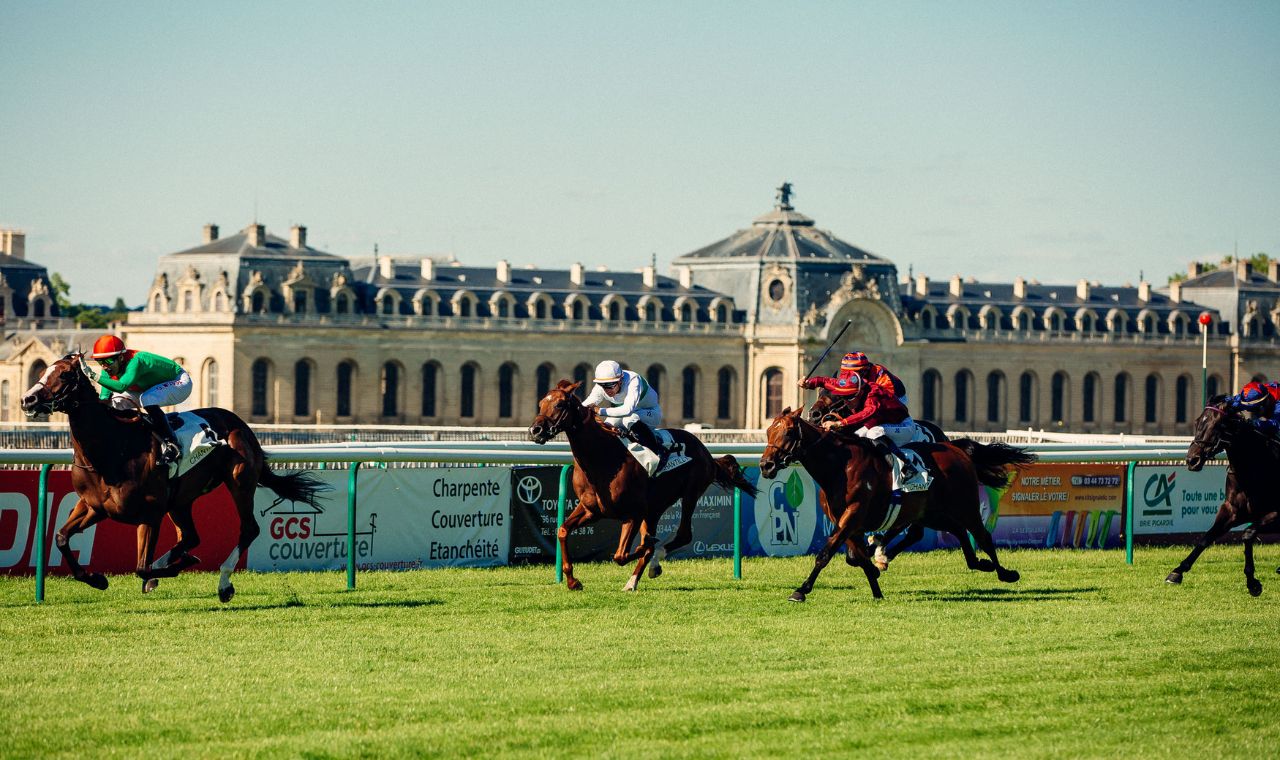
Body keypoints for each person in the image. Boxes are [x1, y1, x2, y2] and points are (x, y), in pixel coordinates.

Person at [90, 335, 191, 463]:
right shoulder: (107, 369)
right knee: (116, 402)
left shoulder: (136, 361)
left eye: (108, 361)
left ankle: (172, 444)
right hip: (148, 388)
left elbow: (121, 387)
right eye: (101, 362)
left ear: (121, 357)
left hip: (180, 382)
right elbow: (104, 400)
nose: (104, 366)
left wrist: (92, 375)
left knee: (147, 398)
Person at [819, 372, 920, 482]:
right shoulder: (860, 392)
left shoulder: (872, 397)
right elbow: (825, 381)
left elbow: (866, 414)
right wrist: (809, 383)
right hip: (884, 424)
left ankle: (907, 466)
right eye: (844, 397)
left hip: (904, 426)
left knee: (874, 432)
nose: (846, 401)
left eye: (849, 397)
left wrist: (840, 423)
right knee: (854, 436)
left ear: (860, 392)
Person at [582, 360, 669, 471]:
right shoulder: (603, 384)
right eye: (602, 385)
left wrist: (599, 410)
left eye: (610, 385)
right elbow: (586, 404)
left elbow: (627, 410)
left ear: (620, 380)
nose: (606, 390)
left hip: (650, 413)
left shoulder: (634, 380)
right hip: (630, 413)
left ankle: (659, 451)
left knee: (630, 419)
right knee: (607, 425)